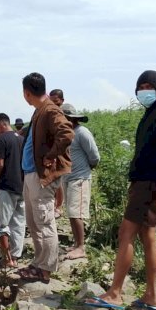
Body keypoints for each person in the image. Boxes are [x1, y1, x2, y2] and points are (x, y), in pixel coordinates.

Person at [86, 70, 156, 310]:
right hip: (144, 183)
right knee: (147, 235)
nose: (144, 90)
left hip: (152, 184)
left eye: (149, 86)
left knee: (125, 234)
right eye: (141, 86)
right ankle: (151, 296)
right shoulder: (151, 114)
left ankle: (115, 293)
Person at [16, 72, 74, 284]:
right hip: (31, 174)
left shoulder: (50, 110)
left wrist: (51, 156)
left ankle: (46, 269)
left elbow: (67, 133)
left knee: (44, 222)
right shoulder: (39, 111)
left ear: (27, 93)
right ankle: (39, 263)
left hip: (41, 176)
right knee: (33, 222)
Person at [60, 103, 100, 260]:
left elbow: (95, 156)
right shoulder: (66, 133)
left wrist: (87, 169)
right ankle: (76, 244)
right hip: (68, 177)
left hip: (80, 178)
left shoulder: (82, 132)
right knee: (71, 211)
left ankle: (81, 247)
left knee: (77, 213)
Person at [0, 113, 26, 268]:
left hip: (6, 187)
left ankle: (7, 259)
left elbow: (0, 164)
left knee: (2, 224)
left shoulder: (1, 139)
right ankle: (16, 257)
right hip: (21, 187)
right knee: (19, 223)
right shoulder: (22, 139)